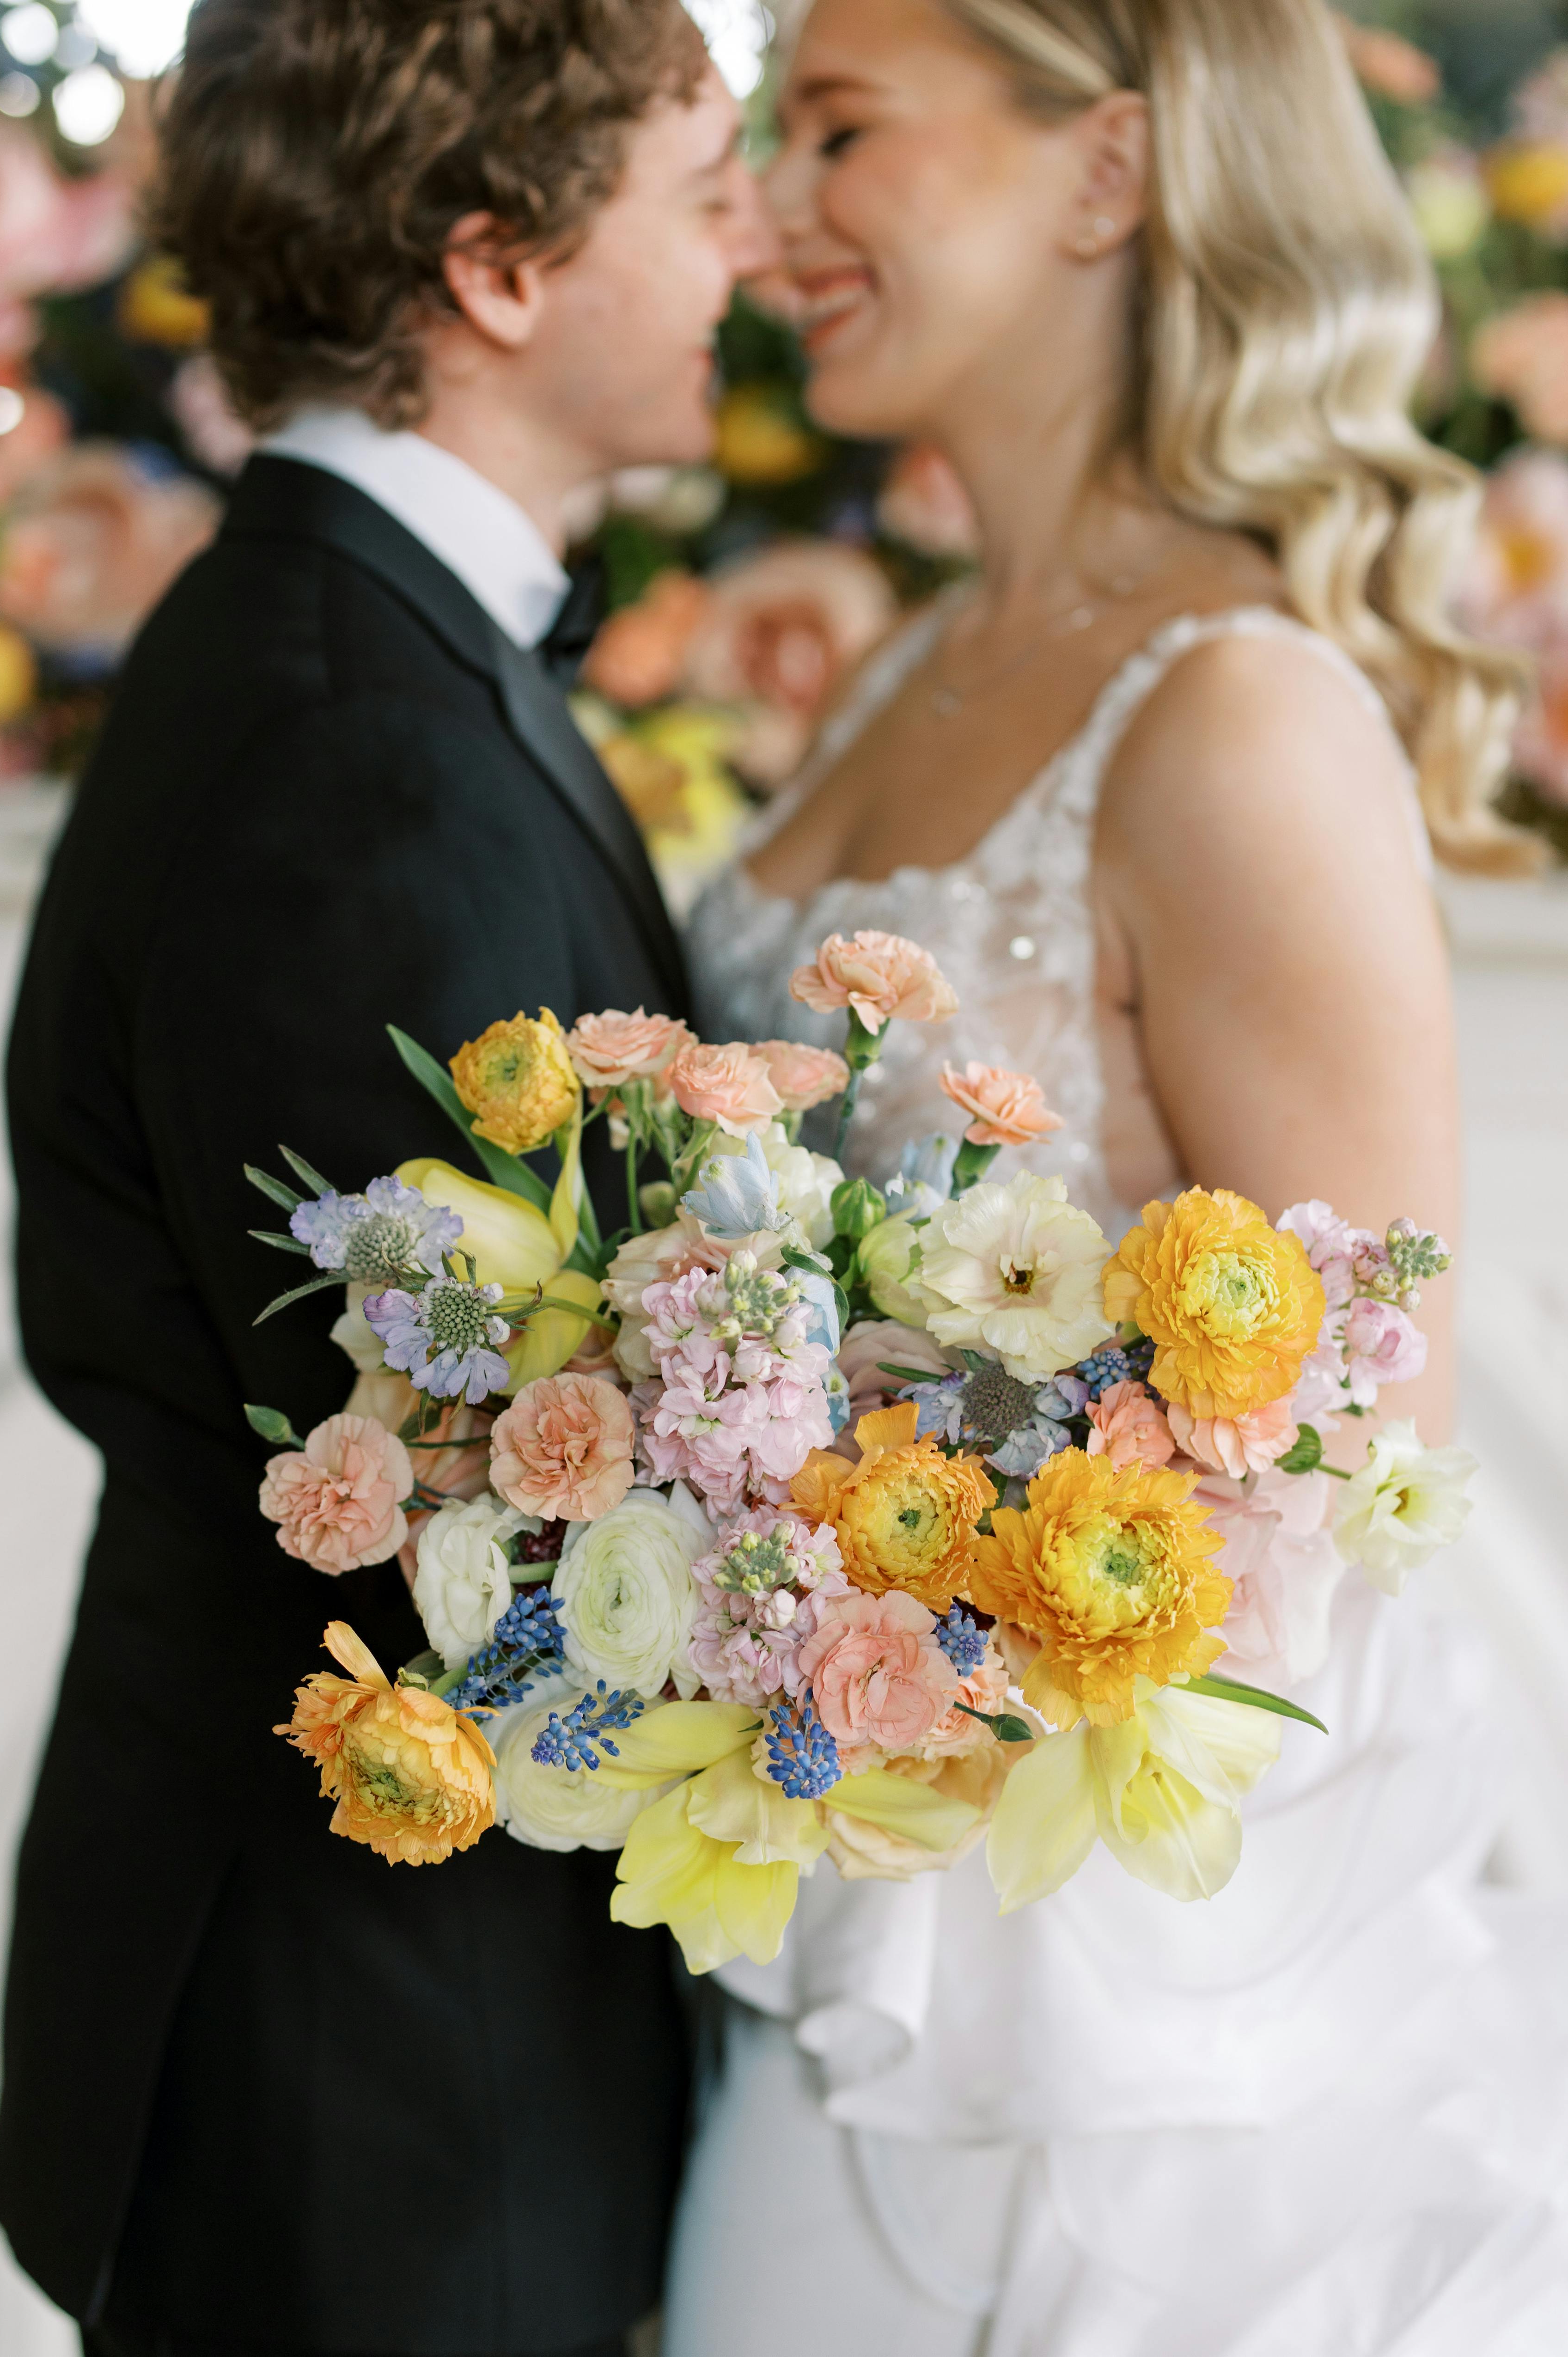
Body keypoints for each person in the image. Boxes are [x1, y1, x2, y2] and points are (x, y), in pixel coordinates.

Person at [670, 0, 1568, 2350]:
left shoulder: (1236, 714)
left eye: (839, 129)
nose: (769, 212)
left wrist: (925, 1623)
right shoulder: (916, 663)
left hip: (1088, 1998)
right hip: (800, 1847)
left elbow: (1358, 1462)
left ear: (1106, 169)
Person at [0, 3, 775, 2352]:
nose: (756, 244)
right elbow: (464, 1491)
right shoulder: (362, 738)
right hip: (376, 2063)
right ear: (498, 266)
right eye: (706, 188)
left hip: (371, 2018)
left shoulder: (364, 646)